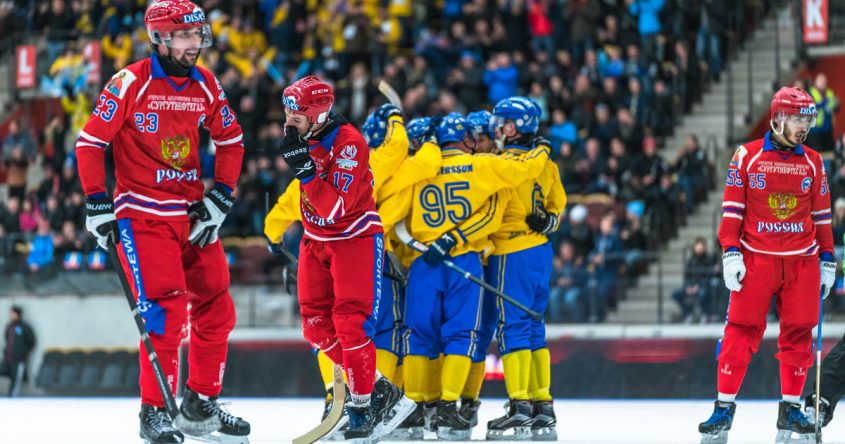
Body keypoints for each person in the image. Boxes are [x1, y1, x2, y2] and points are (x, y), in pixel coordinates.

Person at [76, 2, 250, 443]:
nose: (196, 44)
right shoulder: (131, 81)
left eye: (198, 35)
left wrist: (222, 195)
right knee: (165, 312)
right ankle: (153, 412)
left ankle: (200, 402)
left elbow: (230, 139)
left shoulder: (206, 83)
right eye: (186, 36)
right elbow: (90, 143)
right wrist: (98, 203)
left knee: (218, 306)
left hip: (191, 214)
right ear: (161, 38)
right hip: (142, 214)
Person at [274, 75, 415, 441]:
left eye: (296, 115)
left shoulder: (350, 143)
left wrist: (305, 171)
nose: (288, 121)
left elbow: (333, 207)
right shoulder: (305, 135)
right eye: (287, 112)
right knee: (314, 326)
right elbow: (301, 199)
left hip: (353, 240)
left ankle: (363, 406)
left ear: (318, 114)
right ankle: (381, 389)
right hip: (315, 240)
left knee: (351, 325)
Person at [698, 87, 834, 444]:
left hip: (802, 262)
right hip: (756, 261)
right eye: (796, 118)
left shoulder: (814, 162)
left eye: (807, 119)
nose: (803, 126)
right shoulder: (747, 156)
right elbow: (732, 211)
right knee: (739, 332)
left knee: (800, 334)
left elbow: (822, 217)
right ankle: (723, 409)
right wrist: (730, 251)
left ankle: (791, 408)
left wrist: (828, 258)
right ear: (777, 118)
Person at [483, 97, 566, 441]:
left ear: (515, 127)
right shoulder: (547, 166)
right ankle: (542, 405)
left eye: (503, 122)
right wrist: (548, 222)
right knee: (535, 328)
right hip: (540, 252)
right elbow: (557, 207)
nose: (498, 128)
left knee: (512, 328)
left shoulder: (500, 163)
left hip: (510, 252)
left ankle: (519, 407)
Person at [0, 306, 35, 397]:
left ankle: (11, 398)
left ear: (18, 314)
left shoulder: (25, 327)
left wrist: (22, 353)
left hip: (18, 360)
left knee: (15, 380)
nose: (10, 316)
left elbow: (32, 341)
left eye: (12, 313)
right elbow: (6, 338)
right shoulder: (9, 326)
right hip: (7, 359)